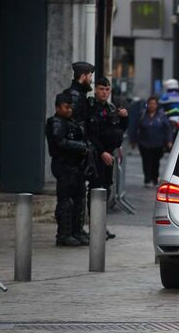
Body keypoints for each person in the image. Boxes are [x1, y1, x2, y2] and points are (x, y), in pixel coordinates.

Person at [45, 93, 89, 247]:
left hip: (76, 166)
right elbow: (60, 142)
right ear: (58, 107)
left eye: (71, 106)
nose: (69, 109)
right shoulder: (55, 122)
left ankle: (76, 231)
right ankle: (63, 234)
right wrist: (81, 147)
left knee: (79, 200)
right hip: (64, 165)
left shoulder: (71, 122)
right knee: (66, 202)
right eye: (66, 107)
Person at [87, 77, 128, 240]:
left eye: (107, 89)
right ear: (96, 90)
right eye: (101, 89)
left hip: (108, 156)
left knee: (106, 190)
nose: (104, 92)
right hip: (95, 156)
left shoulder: (111, 108)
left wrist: (124, 118)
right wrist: (101, 152)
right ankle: (94, 228)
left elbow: (118, 130)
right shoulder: (90, 107)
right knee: (95, 190)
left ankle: (101, 227)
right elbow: (90, 134)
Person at [61, 61, 95, 243]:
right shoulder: (74, 96)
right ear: (83, 76)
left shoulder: (80, 95)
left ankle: (77, 230)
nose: (91, 79)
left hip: (79, 155)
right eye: (90, 76)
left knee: (80, 194)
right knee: (69, 197)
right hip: (70, 157)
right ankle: (66, 233)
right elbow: (73, 126)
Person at [132, 96, 173, 187]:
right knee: (146, 161)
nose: (152, 106)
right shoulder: (142, 115)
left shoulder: (162, 116)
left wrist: (169, 141)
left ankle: (155, 178)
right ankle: (147, 179)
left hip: (158, 144)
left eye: (154, 104)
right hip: (144, 143)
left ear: (157, 105)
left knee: (155, 162)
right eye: (150, 103)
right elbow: (135, 127)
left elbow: (168, 129)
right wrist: (133, 140)